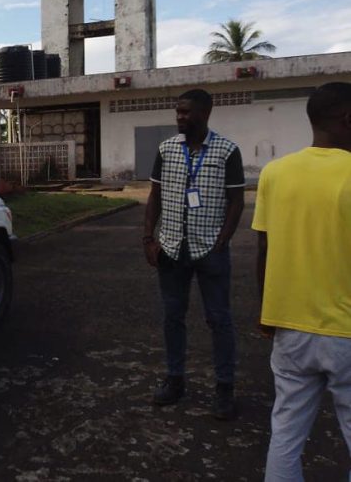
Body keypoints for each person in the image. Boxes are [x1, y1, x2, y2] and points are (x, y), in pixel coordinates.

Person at [253, 82, 351, 480]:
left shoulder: (274, 173)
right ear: (348, 119)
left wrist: (265, 312)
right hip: (345, 331)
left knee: (286, 436)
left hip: (289, 328)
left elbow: (264, 248)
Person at [143, 88, 245, 419]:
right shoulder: (167, 149)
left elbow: (236, 201)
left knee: (219, 320)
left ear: (205, 113)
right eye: (178, 112)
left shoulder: (227, 151)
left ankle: (224, 389)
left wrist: (222, 241)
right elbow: (155, 195)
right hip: (171, 249)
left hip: (209, 250)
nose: (180, 117)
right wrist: (149, 238)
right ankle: (175, 381)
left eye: (186, 112)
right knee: (173, 317)